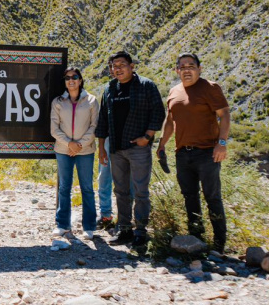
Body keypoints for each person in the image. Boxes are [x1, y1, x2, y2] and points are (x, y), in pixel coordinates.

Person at [157, 53, 231, 254]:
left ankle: (219, 244)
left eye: (191, 66)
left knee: (212, 197)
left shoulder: (210, 87)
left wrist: (222, 143)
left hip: (207, 153)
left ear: (199, 69)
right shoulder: (174, 91)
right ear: (177, 70)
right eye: (182, 66)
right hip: (182, 153)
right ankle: (196, 238)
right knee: (189, 196)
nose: (187, 70)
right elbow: (170, 121)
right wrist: (161, 144)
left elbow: (224, 115)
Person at [95, 51, 165, 247]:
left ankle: (140, 232)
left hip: (138, 148)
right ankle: (124, 229)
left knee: (141, 191)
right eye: (114, 66)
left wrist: (147, 137)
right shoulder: (110, 89)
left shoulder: (146, 85)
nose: (118, 69)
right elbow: (103, 120)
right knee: (121, 191)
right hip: (116, 148)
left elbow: (158, 112)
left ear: (131, 66)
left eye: (122, 64)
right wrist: (101, 148)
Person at [50, 67, 100, 241]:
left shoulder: (91, 101)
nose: (71, 80)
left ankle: (89, 227)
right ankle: (62, 225)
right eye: (67, 78)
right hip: (63, 150)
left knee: (87, 188)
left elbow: (94, 126)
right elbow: (54, 128)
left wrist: (79, 145)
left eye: (75, 77)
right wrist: (69, 144)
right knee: (64, 188)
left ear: (80, 80)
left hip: (85, 150)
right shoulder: (58, 102)